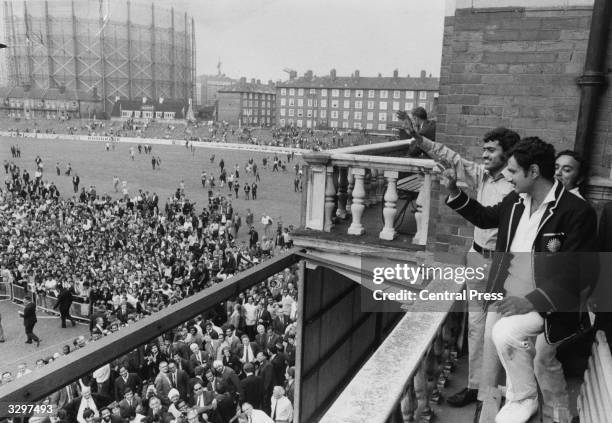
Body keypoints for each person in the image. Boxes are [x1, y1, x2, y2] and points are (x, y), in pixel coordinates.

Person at [445, 137, 598, 423]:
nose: (507, 176)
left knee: (525, 348)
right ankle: (514, 401)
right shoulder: (515, 201)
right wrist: (454, 192)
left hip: (549, 305)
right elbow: (485, 217)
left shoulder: (577, 212)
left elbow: (579, 274)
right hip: (505, 296)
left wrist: (528, 301)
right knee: (501, 347)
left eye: (513, 171)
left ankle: (548, 411)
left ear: (534, 172)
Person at [402, 116, 520, 410]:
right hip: (477, 257)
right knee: (476, 326)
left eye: (492, 150)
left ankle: (495, 391)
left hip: (501, 266)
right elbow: (451, 157)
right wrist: (421, 142)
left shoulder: (516, 186)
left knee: (499, 329)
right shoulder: (481, 175)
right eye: (484, 149)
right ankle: (476, 386)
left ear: (507, 154)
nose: (485, 155)